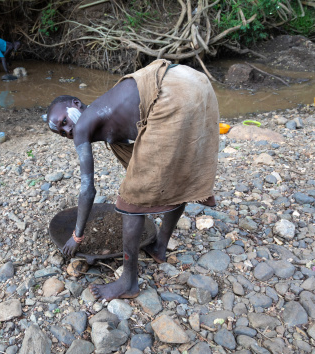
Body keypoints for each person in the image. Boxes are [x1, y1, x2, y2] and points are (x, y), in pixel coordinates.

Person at [46, 59, 219, 301]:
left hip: (173, 91)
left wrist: (77, 236)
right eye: (61, 133)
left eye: (64, 122)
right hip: (194, 82)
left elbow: (88, 190)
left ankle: (128, 281)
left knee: (131, 199)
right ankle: (159, 246)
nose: (67, 131)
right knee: (174, 176)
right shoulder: (105, 110)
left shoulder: (84, 122)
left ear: (76, 104)